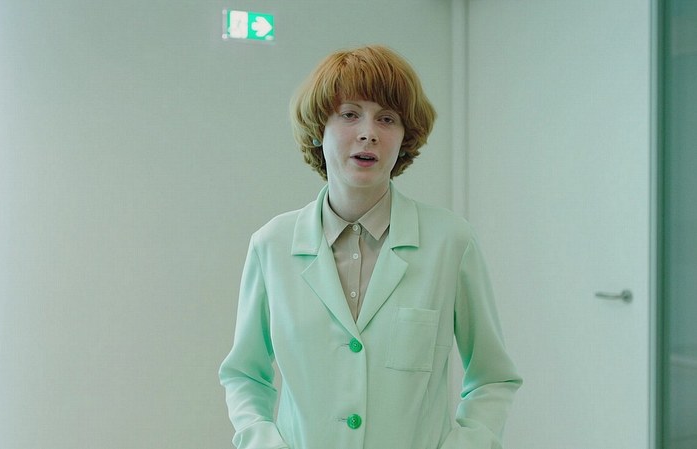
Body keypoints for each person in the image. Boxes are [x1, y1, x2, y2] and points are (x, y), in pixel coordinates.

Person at [219, 45, 522, 449]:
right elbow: (244, 373)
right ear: (319, 128)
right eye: (349, 114)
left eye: (387, 118)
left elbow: (492, 377)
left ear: (405, 137)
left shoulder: (451, 242)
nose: (368, 132)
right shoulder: (272, 245)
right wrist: (262, 442)